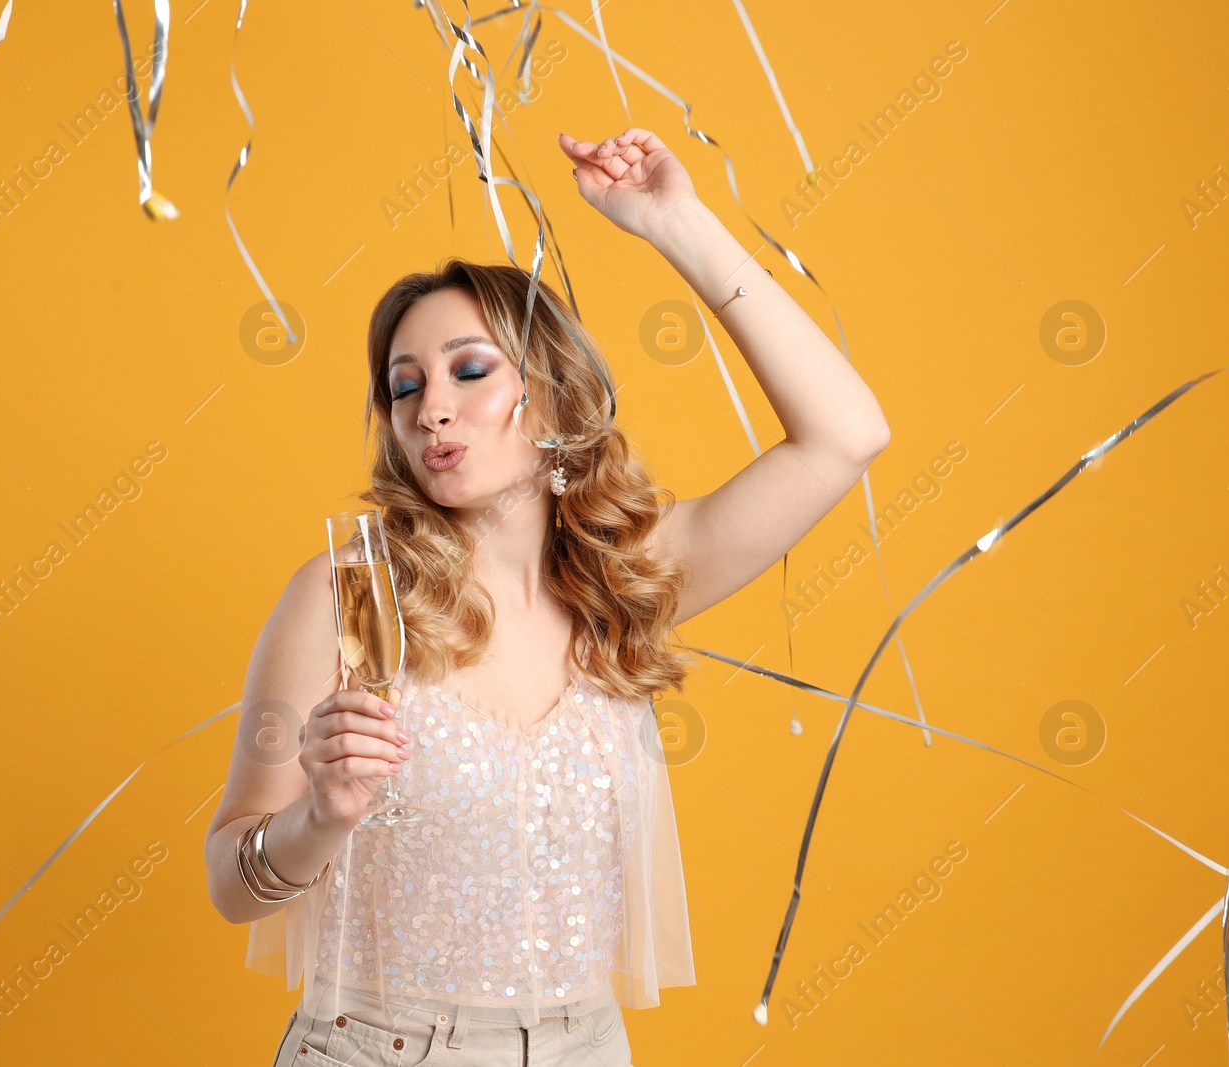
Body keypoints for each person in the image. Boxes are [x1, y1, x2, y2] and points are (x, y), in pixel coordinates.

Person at [205, 127, 890, 1066]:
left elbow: (844, 435)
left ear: (559, 398)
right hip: (376, 1048)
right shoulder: (352, 598)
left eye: (470, 370)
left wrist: (675, 223)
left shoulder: (623, 582)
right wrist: (319, 815)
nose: (430, 408)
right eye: (404, 388)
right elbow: (232, 879)